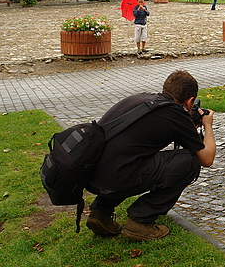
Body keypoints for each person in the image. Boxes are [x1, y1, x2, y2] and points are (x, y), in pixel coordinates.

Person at [85, 70, 216, 241]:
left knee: (129, 156)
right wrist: (208, 125)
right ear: (190, 101)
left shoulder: (141, 99)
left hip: (91, 175)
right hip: (117, 178)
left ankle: (100, 212)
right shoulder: (174, 114)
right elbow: (206, 158)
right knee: (190, 162)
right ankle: (140, 221)